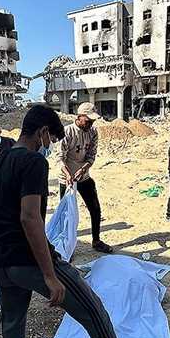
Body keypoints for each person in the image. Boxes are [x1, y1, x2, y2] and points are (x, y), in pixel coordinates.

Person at [0, 105, 145, 338]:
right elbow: (29, 217)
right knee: (92, 308)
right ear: (43, 132)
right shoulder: (33, 162)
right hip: (28, 259)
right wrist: (49, 274)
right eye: (51, 139)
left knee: (13, 320)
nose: (50, 146)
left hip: (0, 262)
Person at [58, 103, 113, 254]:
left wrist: (83, 169)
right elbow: (60, 157)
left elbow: (91, 155)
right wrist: (68, 174)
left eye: (93, 121)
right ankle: (66, 246)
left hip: (83, 177)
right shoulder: (67, 132)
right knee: (67, 214)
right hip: (67, 179)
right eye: (88, 121)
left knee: (95, 208)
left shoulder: (93, 132)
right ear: (79, 117)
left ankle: (96, 241)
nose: (91, 124)